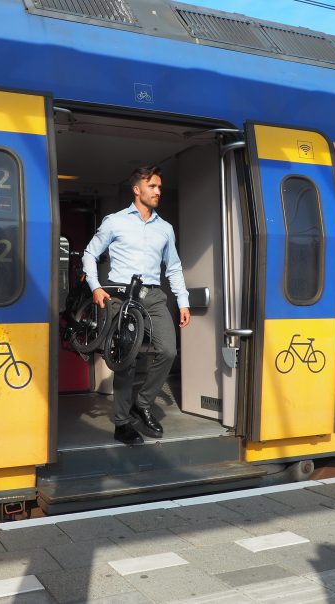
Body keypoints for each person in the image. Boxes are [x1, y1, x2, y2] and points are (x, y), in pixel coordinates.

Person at [82, 166, 191, 445]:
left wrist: (183, 302)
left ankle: (142, 403)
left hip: (153, 296)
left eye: (159, 188)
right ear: (137, 189)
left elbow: (174, 268)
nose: (157, 192)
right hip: (120, 295)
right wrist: (95, 287)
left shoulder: (165, 229)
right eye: (152, 186)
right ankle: (121, 422)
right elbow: (90, 253)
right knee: (126, 362)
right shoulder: (114, 222)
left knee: (168, 350)